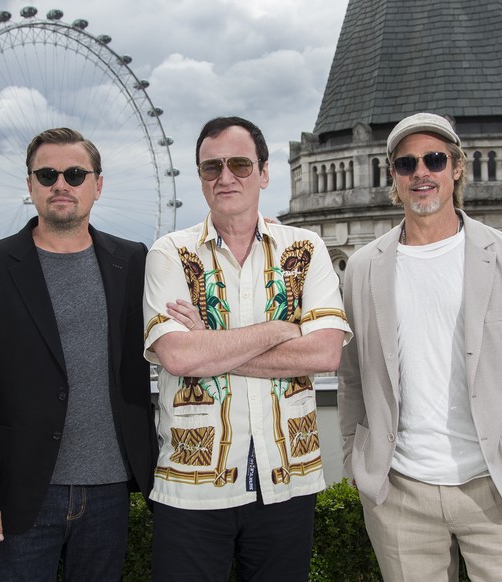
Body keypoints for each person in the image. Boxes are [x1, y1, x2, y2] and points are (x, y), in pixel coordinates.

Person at [337, 112, 502, 581]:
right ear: (393, 177)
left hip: (497, 487)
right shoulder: (362, 267)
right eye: (406, 163)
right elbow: (351, 373)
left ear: (456, 168)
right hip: (400, 493)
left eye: (434, 160)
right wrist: (355, 458)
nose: (421, 172)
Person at [142, 116, 351, 581]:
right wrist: (281, 328)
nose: (225, 177)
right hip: (191, 487)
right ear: (199, 178)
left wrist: (211, 346)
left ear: (264, 171)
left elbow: (324, 355)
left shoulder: (305, 249)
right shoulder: (169, 254)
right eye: (211, 167)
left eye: (239, 163)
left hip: (287, 481)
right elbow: (179, 357)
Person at [0, 127, 157, 581]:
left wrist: (259, 228)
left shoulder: (134, 260)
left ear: (98, 184)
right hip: (19, 492)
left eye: (76, 174)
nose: (61, 184)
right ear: (30, 185)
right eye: (47, 174)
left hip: (111, 488)